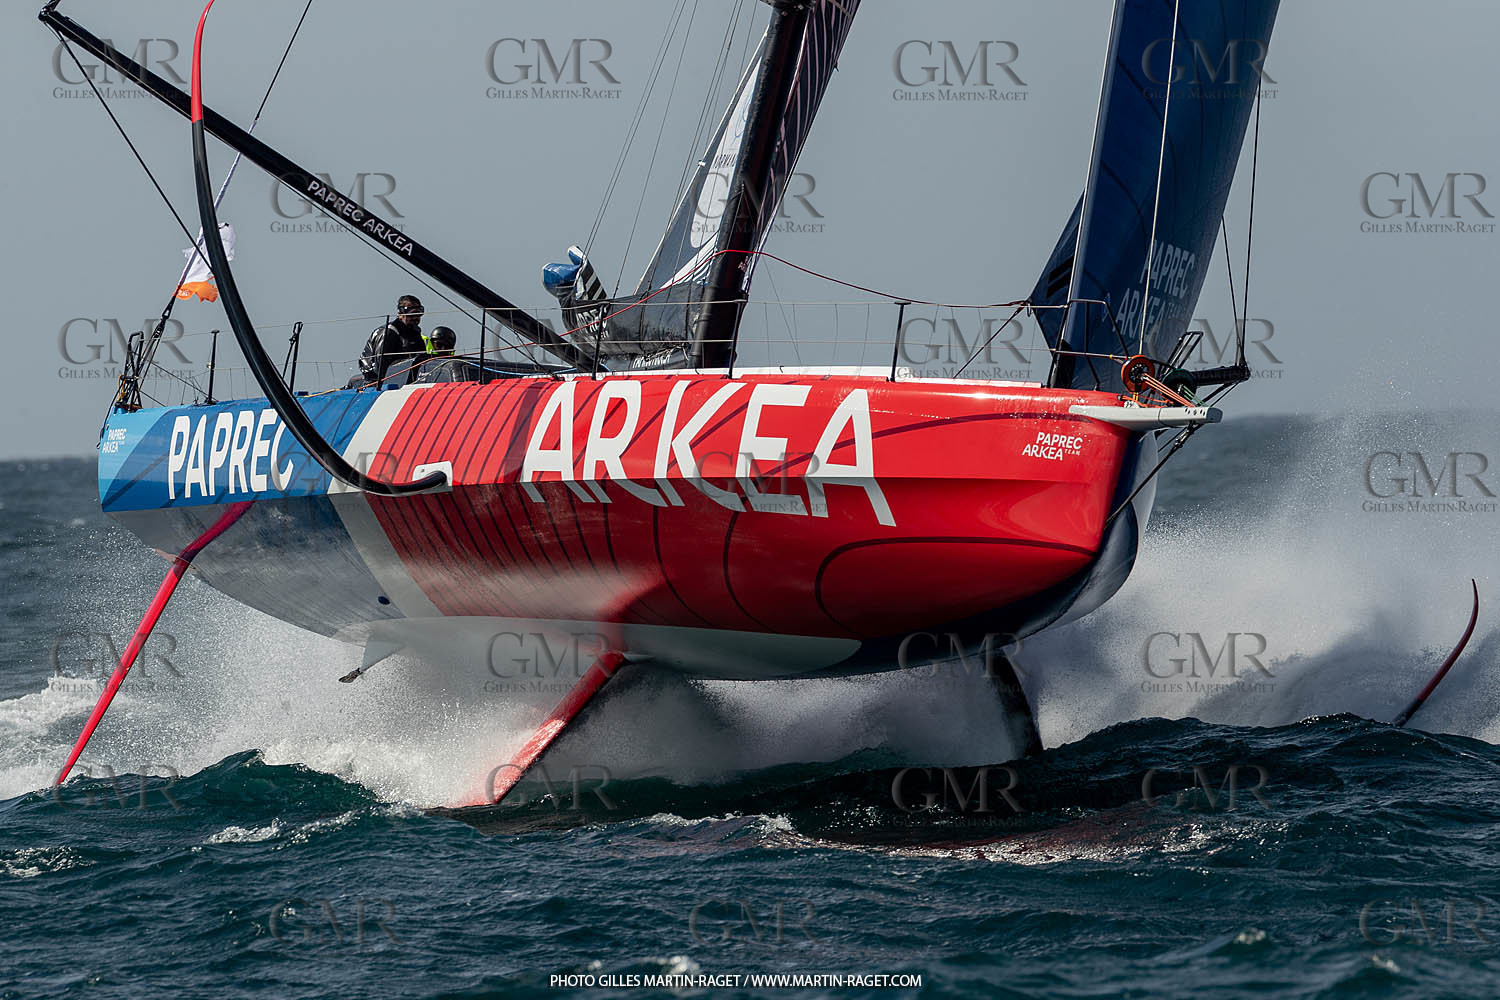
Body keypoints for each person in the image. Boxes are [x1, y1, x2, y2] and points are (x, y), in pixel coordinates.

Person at [355, 295, 426, 386]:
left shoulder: (414, 333)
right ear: (400, 314)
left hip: (407, 380)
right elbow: (380, 366)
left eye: (418, 314)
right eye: (412, 314)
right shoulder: (389, 333)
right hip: (379, 383)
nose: (416, 318)